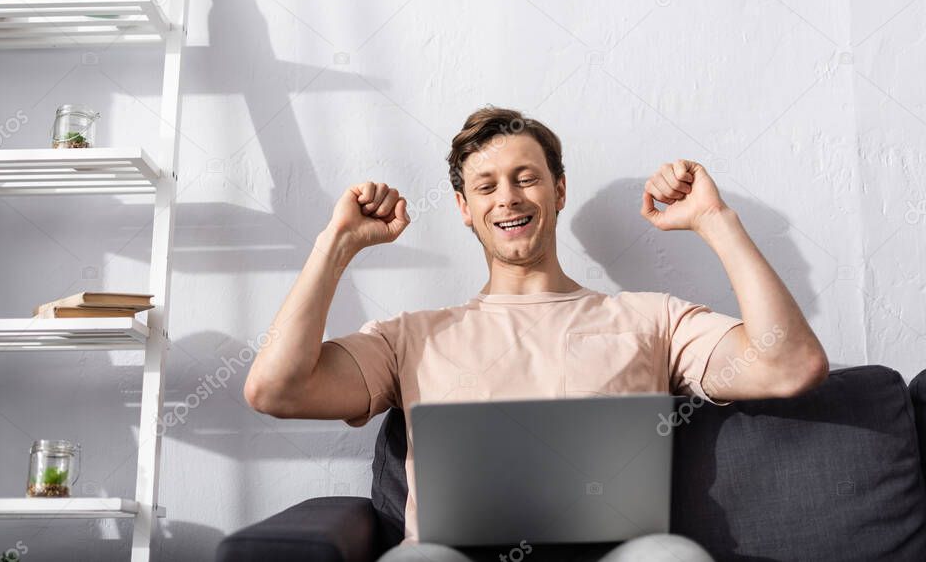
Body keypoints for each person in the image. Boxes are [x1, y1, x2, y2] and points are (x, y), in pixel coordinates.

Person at [245, 106, 830, 561]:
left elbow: (791, 365)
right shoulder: (410, 337)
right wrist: (336, 246)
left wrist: (714, 220)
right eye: (486, 186)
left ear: (559, 191)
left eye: (526, 178)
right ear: (464, 208)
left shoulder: (652, 318)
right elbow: (276, 390)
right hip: (452, 560)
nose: (509, 197)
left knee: (672, 555)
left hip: (619, 558)